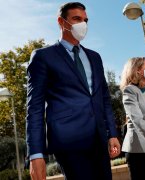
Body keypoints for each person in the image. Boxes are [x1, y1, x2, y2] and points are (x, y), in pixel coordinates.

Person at [26, 2, 120, 180]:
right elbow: (34, 109)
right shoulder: (43, 57)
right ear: (61, 22)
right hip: (69, 142)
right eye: (77, 19)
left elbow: (104, 98)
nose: (83, 24)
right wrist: (36, 154)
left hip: (99, 140)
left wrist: (112, 133)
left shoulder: (95, 57)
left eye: (85, 20)